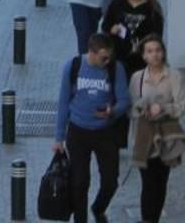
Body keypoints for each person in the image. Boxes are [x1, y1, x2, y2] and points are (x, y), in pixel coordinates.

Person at [55, 33, 131, 223]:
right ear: (91, 52)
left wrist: (112, 111)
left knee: (110, 181)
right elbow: (63, 102)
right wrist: (59, 138)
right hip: (78, 131)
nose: (107, 61)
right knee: (79, 182)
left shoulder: (116, 68)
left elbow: (124, 100)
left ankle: (98, 208)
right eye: (103, 57)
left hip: (105, 132)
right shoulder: (73, 66)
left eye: (109, 57)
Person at [131, 37, 185, 222]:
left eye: (157, 50)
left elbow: (182, 105)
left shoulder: (174, 76)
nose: (154, 54)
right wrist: (142, 108)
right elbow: (131, 108)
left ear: (163, 52)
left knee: (161, 181)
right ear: (143, 55)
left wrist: (163, 108)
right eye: (149, 51)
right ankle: (147, 219)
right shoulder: (137, 78)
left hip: (166, 136)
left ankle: (152, 219)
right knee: (147, 182)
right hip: (144, 136)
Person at [102, 0, 165, 79]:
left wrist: (145, 46)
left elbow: (157, 34)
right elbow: (105, 26)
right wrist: (112, 29)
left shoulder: (151, 7)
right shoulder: (116, 4)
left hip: (143, 59)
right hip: (119, 57)